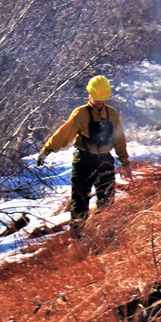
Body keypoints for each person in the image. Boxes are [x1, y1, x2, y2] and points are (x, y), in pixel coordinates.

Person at [37, 75, 132, 223]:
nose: (99, 102)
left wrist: (125, 162)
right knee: (80, 203)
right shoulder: (80, 113)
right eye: (96, 98)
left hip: (105, 161)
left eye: (102, 98)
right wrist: (46, 150)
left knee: (107, 203)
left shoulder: (112, 114)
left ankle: (103, 236)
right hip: (84, 161)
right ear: (90, 95)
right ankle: (78, 238)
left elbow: (119, 139)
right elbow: (64, 134)